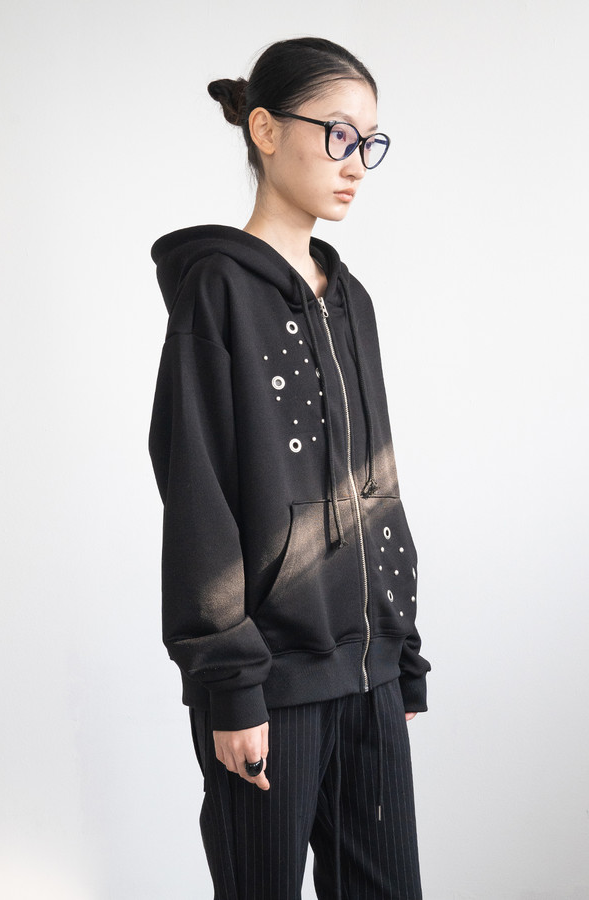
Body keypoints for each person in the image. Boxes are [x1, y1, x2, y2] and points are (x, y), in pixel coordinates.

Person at [149, 36, 431, 900]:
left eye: (370, 142)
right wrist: (230, 687)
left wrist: (401, 648)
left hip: (368, 671)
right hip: (268, 684)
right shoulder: (218, 292)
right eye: (338, 134)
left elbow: (376, 487)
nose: (356, 164)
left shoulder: (351, 301)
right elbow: (198, 493)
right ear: (266, 130)